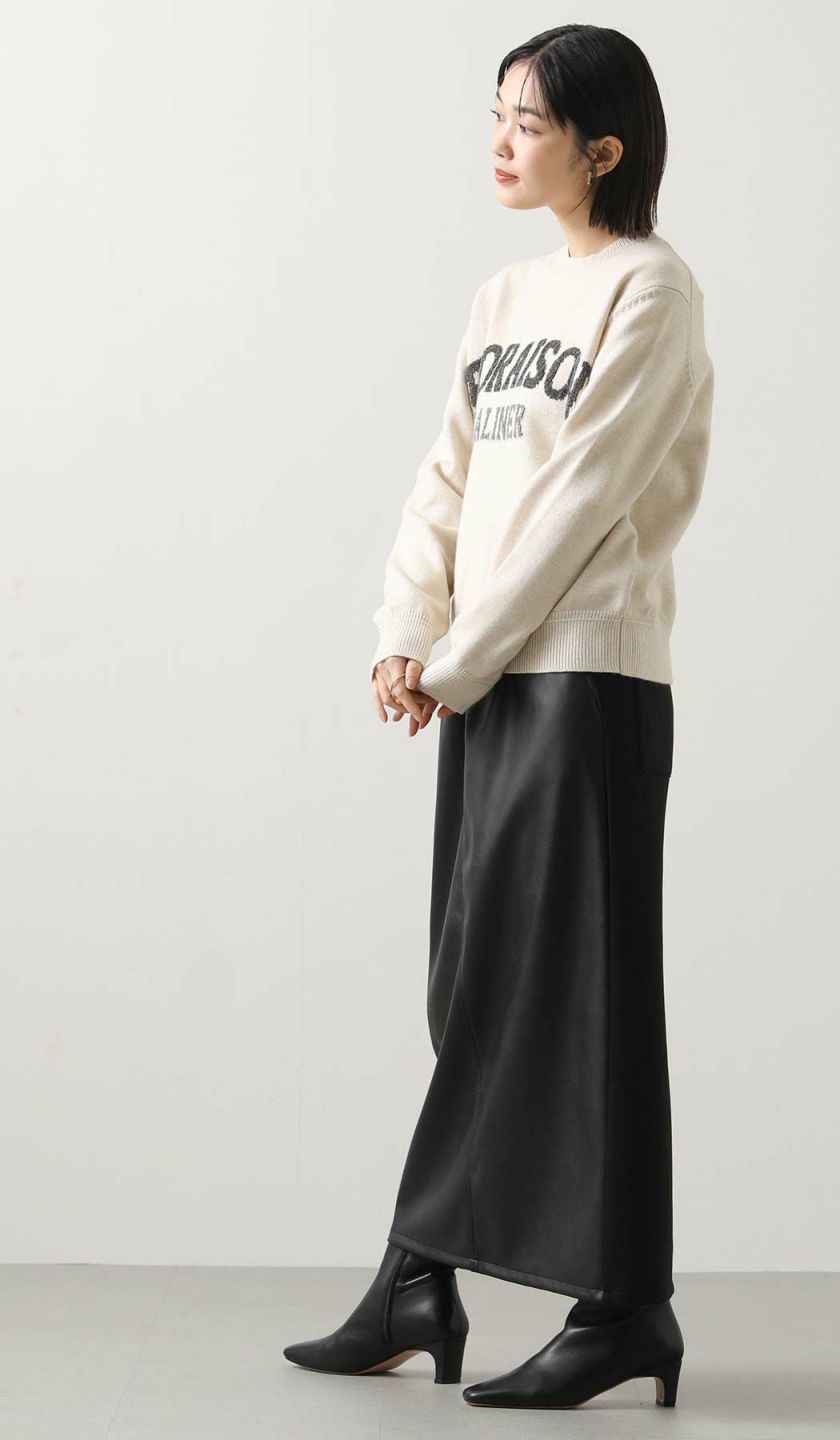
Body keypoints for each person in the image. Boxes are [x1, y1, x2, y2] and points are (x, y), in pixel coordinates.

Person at [283, 24, 714, 1410]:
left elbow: (583, 504)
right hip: (486, 674)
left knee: (584, 994)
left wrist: (456, 659)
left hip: (586, 676)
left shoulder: (652, 293)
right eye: (498, 114)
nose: (502, 142)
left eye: (531, 122)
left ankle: (625, 1305)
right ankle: (421, 1277)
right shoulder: (504, 297)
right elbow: (447, 480)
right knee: (470, 978)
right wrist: (404, 636)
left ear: (604, 148)